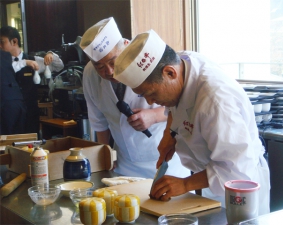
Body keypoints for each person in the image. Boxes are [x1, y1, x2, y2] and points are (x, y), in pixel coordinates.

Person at [113, 29, 270, 215]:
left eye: (151, 93)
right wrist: (169, 133)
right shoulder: (181, 62)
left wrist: (185, 184)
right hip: (207, 181)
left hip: (239, 192)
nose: (149, 102)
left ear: (169, 73)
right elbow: (176, 107)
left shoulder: (216, 102)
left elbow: (236, 170)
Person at [79, 17, 190, 179]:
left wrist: (154, 115)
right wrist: (105, 153)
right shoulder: (90, 74)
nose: (109, 72)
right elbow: (98, 120)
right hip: (124, 163)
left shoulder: (147, 59)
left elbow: (181, 102)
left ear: (125, 46)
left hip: (165, 160)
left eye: (113, 62)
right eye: (100, 67)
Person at [0, 26, 64, 135]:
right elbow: (12, 67)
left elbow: (59, 67)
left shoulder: (34, 60)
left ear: (14, 41)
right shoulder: (3, 64)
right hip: (8, 116)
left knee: (31, 145)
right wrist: (25, 62)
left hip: (30, 113)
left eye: (2, 42)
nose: (0, 46)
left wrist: (51, 54)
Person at [0, 50, 26, 135]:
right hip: (16, 100)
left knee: (5, 138)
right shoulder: (6, 55)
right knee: (17, 138)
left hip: (4, 103)